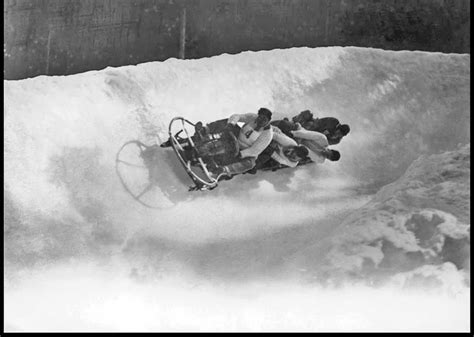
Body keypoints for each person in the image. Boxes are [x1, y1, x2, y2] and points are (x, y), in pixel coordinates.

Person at [198, 108, 274, 178]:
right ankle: (204, 130)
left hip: (246, 151)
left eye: (264, 120)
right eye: (260, 117)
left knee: (250, 164)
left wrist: (241, 154)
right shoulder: (252, 117)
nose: (261, 121)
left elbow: (255, 150)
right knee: (227, 121)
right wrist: (231, 124)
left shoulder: (267, 134)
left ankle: (224, 170)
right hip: (236, 138)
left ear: (268, 121)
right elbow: (236, 116)